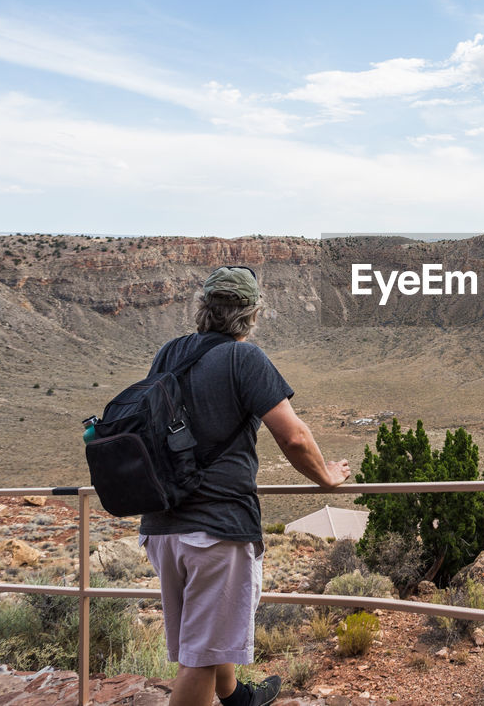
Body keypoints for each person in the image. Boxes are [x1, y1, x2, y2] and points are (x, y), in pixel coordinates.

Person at [139, 265, 351, 706]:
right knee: (199, 656)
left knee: (203, 636)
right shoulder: (244, 358)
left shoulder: (169, 353)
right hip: (216, 529)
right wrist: (327, 476)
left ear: (204, 308)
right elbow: (293, 436)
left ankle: (238, 699)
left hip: (162, 524)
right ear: (252, 313)